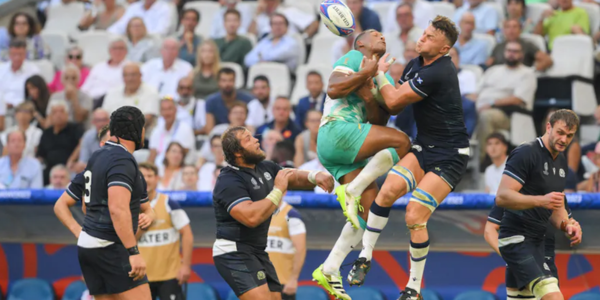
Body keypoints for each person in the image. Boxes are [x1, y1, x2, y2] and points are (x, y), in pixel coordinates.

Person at [346, 16, 469, 300]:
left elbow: (392, 101)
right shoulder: (416, 65)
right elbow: (395, 106)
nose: (422, 38)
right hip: (425, 146)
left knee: (414, 215)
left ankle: (413, 287)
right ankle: (365, 255)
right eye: (424, 32)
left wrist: (377, 74)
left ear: (444, 48)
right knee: (387, 191)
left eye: (430, 36)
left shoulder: (441, 71)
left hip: (450, 155)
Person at [312, 29, 411, 300]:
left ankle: (331, 267)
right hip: (336, 132)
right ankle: (354, 188)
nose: (382, 36)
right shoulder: (355, 56)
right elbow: (333, 89)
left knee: (367, 215)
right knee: (403, 143)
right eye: (375, 34)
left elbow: (378, 123)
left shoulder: (383, 74)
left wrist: (370, 92)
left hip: (345, 147)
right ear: (361, 43)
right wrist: (366, 74)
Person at [212, 126, 334, 300]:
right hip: (234, 252)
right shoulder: (228, 180)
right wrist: (277, 190)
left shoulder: (265, 167)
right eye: (248, 139)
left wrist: (315, 176)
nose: (256, 140)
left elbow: (291, 176)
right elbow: (251, 217)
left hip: (258, 251)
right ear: (238, 152)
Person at [54, 106, 155, 300]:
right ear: (135, 129)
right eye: (143, 127)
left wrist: (81, 233)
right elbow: (117, 209)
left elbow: (84, 206)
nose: (144, 132)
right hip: (110, 245)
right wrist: (133, 252)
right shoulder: (122, 160)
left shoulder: (97, 156)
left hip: (89, 245)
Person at [494, 109, 582, 300]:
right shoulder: (526, 152)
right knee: (553, 297)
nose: (564, 139)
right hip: (517, 239)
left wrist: (567, 225)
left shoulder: (561, 161)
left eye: (569, 135)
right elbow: (502, 196)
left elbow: (556, 206)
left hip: (540, 242)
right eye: (560, 132)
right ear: (548, 127)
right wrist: (541, 201)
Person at [137, 162, 193, 300]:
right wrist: (145, 224)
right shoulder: (128, 206)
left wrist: (185, 266)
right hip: (140, 276)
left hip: (170, 276)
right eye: (142, 176)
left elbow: (187, 234)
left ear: (157, 178)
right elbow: (127, 241)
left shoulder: (169, 203)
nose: (146, 179)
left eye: (150, 175)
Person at [266, 200, 307, 300]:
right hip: (259, 282)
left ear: (284, 192)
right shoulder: (257, 212)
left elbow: (300, 249)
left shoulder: (291, 214)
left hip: (282, 283)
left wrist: (293, 279)